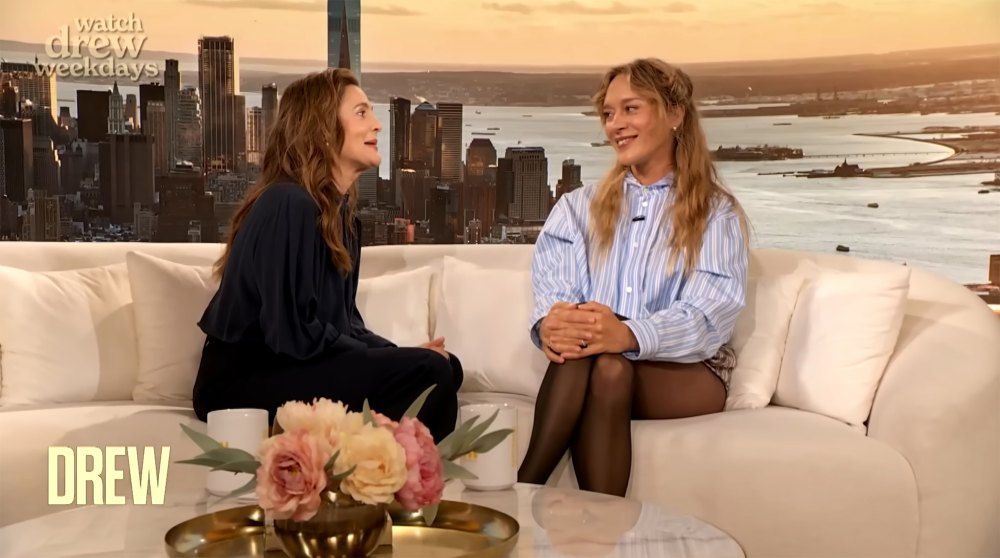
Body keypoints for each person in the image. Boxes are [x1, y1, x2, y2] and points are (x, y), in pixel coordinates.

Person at [517, 58, 750, 496]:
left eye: (631, 109)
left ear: (675, 114)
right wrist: (554, 325)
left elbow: (708, 320)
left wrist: (628, 333)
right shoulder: (575, 208)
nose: (615, 125)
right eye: (608, 114)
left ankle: (521, 494)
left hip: (687, 371)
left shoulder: (715, 214)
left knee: (606, 360)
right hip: (597, 364)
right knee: (603, 364)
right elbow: (558, 297)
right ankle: (599, 531)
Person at [192, 68, 463, 443]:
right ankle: (401, 485)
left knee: (446, 369)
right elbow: (291, 333)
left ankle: (377, 477)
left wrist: (396, 354)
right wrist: (397, 362)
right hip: (244, 381)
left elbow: (344, 326)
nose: (376, 126)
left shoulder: (342, 219)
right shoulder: (287, 203)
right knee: (430, 373)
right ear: (321, 128)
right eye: (361, 113)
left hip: (298, 364)